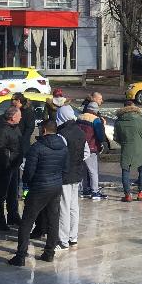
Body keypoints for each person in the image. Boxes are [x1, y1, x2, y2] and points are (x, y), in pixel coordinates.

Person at [8, 121, 70, 266]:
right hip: (56, 186)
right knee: (53, 220)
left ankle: (20, 256)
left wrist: (27, 184)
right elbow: (66, 169)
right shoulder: (63, 147)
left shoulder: (37, 147)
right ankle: (49, 253)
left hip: (39, 187)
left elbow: (29, 172)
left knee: (27, 221)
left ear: (44, 130)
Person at [55, 105, 87, 247]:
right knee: (74, 207)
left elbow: (59, 155)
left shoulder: (62, 134)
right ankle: (73, 237)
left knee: (64, 207)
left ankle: (63, 240)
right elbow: (86, 152)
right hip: (77, 173)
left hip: (65, 175)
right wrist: (77, 161)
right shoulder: (80, 131)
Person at [0, 107, 23, 231]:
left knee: (13, 194)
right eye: (19, 115)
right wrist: (9, 160)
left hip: (14, 166)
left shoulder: (15, 128)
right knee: (0, 195)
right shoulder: (1, 130)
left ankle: (13, 216)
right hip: (3, 168)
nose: (21, 117)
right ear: (12, 117)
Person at [115, 98, 142, 202]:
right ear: (133, 107)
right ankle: (141, 193)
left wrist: (124, 143)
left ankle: (127, 195)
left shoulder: (118, 121)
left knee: (125, 171)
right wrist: (141, 142)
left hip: (126, 148)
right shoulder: (140, 118)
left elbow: (116, 137)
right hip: (139, 148)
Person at [77, 101, 108, 200]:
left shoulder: (79, 117)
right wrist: (103, 125)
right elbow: (101, 136)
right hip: (91, 147)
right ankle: (95, 191)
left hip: (79, 147)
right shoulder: (96, 120)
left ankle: (84, 190)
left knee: (83, 170)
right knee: (93, 171)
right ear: (95, 110)